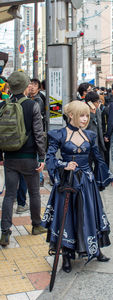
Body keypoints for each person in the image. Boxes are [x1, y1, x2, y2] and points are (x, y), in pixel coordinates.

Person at [41, 101, 113, 273]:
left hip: (86, 184)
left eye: (87, 116)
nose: (85, 119)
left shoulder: (90, 135)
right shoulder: (58, 135)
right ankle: (67, 256)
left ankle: (96, 249)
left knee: (91, 215)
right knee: (67, 217)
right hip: (67, 183)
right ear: (71, 116)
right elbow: (50, 158)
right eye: (81, 115)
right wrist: (63, 165)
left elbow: (98, 158)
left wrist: (107, 176)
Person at [0, 71, 46, 246]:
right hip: (28, 157)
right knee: (34, 192)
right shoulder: (31, 105)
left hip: (10, 158)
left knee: (9, 195)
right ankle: (36, 225)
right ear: (26, 86)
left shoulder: (3, 105)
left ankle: (5, 232)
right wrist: (41, 156)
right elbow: (38, 133)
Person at [29, 78, 45, 186]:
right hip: (32, 131)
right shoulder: (29, 98)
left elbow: (34, 117)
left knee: (37, 156)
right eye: (31, 84)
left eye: (35, 85)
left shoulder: (38, 100)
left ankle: (39, 178)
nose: (32, 86)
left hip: (36, 131)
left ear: (39, 88)